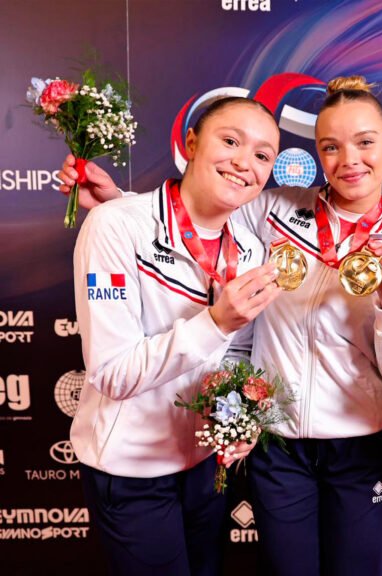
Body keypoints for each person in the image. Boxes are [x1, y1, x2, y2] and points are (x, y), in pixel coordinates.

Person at [60, 76, 382, 576]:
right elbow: (199, 218)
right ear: (316, 153)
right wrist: (119, 205)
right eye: (331, 146)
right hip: (275, 444)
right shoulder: (273, 209)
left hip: (359, 438)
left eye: (365, 143)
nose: (350, 160)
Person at [68, 97, 283, 576]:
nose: (245, 163)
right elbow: (112, 374)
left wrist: (244, 414)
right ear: (191, 143)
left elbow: (238, 356)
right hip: (132, 469)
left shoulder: (248, 248)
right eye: (230, 141)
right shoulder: (116, 227)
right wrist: (215, 322)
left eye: (263, 155)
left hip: (205, 467)